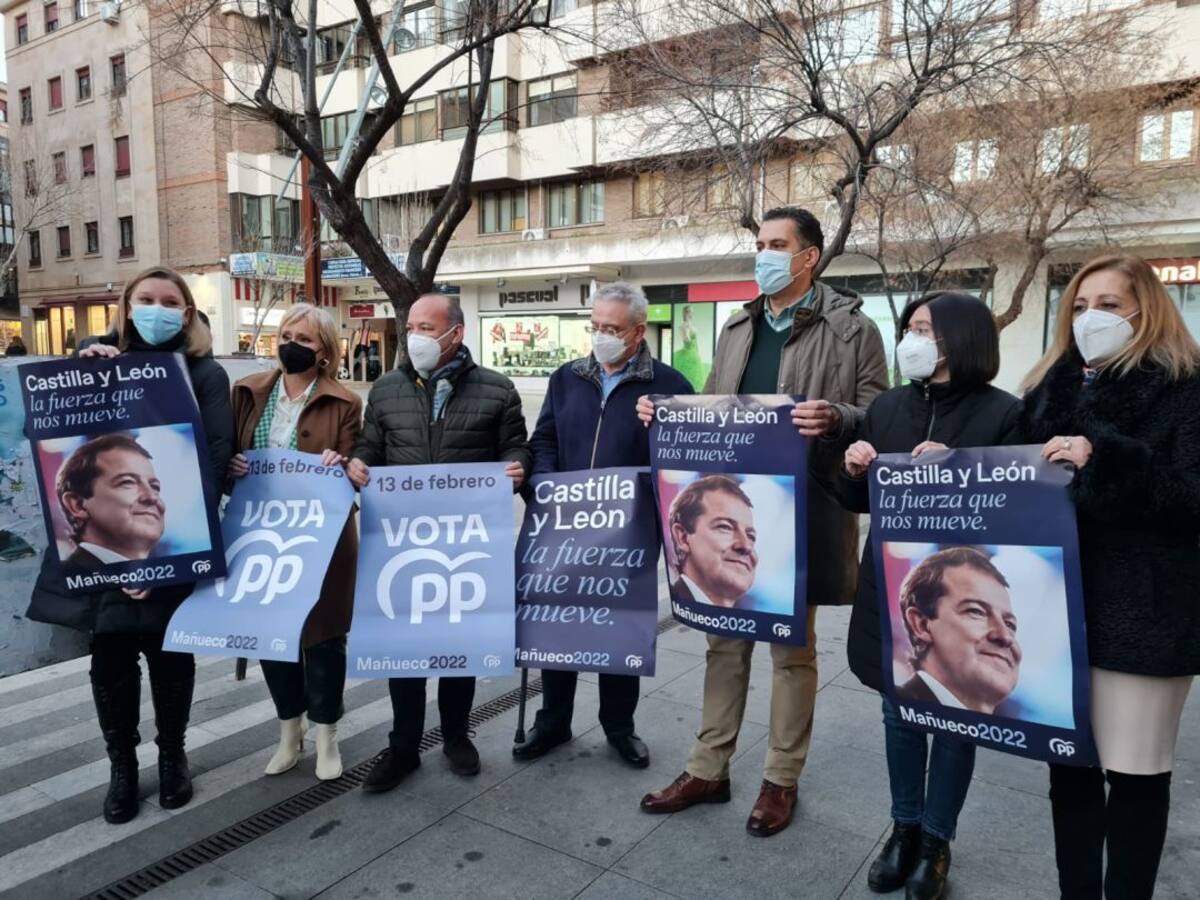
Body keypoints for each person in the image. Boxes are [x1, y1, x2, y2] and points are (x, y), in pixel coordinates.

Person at [639, 206, 888, 837]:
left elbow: (880, 412)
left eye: (777, 244)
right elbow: (721, 404)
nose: (764, 254)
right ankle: (708, 767)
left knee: (791, 650)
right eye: (759, 243)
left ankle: (780, 780)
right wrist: (666, 412)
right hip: (735, 506)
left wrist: (837, 418)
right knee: (723, 644)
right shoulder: (737, 325)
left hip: (803, 511)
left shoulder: (853, 329)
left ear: (809, 256)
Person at [1018, 254, 1200, 900]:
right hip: (1055, 609)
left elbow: (1190, 494)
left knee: (1136, 776)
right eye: (1081, 305)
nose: (1091, 316)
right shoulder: (1048, 387)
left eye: (1110, 304)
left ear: (1145, 310)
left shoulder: (1186, 386)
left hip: (1143, 612)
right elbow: (1005, 469)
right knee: (1069, 770)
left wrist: (1107, 459)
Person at [26, 266, 234, 825]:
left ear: (188, 314)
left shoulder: (205, 374)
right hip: (102, 567)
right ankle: (123, 768)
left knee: (171, 659)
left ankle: (173, 757)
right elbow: (63, 433)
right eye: (147, 299)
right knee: (111, 661)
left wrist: (158, 558)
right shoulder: (94, 359)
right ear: (127, 304)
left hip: (167, 556)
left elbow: (213, 459)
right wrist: (82, 368)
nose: (158, 309)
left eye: (171, 301)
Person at [836, 291, 1020, 899]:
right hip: (895, 598)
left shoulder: (1005, 413)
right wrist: (855, 466)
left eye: (925, 330)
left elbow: (1025, 510)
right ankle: (904, 827)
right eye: (909, 327)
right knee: (901, 715)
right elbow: (857, 502)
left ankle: (936, 841)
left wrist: (962, 468)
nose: (911, 340)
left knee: (957, 724)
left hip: (964, 605)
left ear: (961, 342)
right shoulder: (886, 407)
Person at [348, 292, 531, 793]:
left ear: (456, 334)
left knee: (460, 644)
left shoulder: (497, 389)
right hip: (402, 543)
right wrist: (358, 466)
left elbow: (516, 445)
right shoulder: (385, 390)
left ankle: (456, 736)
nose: (416, 337)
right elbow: (369, 449)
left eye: (427, 328)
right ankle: (402, 746)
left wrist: (519, 466)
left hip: (465, 543)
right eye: (411, 327)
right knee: (404, 649)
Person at [515, 282, 692, 768]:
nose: (601, 336)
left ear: (638, 332)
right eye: (595, 327)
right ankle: (552, 722)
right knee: (557, 626)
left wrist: (664, 429)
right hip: (563, 526)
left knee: (618, 628)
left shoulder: (671, 386)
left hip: (626, 532)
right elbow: (544, 438)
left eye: (612, 329)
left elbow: (683, 463)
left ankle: (619, 727)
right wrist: (544, 485)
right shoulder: (567, 377)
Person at [228, 304, 362, 782]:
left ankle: (326, 733)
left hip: (322, 541)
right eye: (287, 334)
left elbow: (355, 467)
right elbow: (226, 454)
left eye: (305, 339)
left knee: (324, 639)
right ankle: (290, 731)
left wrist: (341, 463)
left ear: (324, 351)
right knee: (272, 636)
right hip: (262, 536)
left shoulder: (345, 402)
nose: (293, 344)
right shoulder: (246, 392)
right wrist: (232, 466)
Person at [894, 548, 1021, 715]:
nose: (1004, 636)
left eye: (1010, 624)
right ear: (922, 624)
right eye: (976, 612)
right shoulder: (903, 701)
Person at [57, 433, 166, 565]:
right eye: (127, 482)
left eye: (155, 487)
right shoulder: (58, 582)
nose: (152, 497)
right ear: (78, 505)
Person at [667, 475, 760, 610]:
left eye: (751, 536)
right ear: (683, 537)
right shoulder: (665, 608)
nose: (746, 546)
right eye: (725, 527)